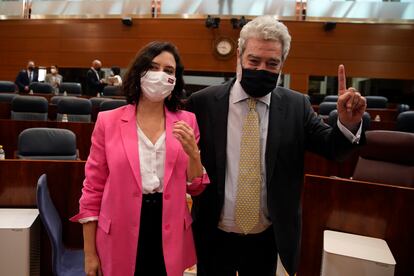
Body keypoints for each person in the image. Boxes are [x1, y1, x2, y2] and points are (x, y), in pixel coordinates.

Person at [186, 15, 367, 276]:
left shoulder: (297, 105)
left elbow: (334, 149)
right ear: (239, 55)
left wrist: (347, 124)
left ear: (283, 63)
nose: (261, 68)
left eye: (272, 63)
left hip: (267, 236)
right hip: (213, 233)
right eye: (254, 60)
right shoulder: (202, 103)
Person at [71, 41, 209, 276]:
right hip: (119, 228)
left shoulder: (187, 121)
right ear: (139, 72)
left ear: (176, 80)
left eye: (169, 70)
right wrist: (89, 253)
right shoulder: (108, 121)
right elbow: (93, 189)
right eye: (153, 67)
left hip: (168, 228)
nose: (160, 75)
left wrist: (193, 155)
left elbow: (195, 187)